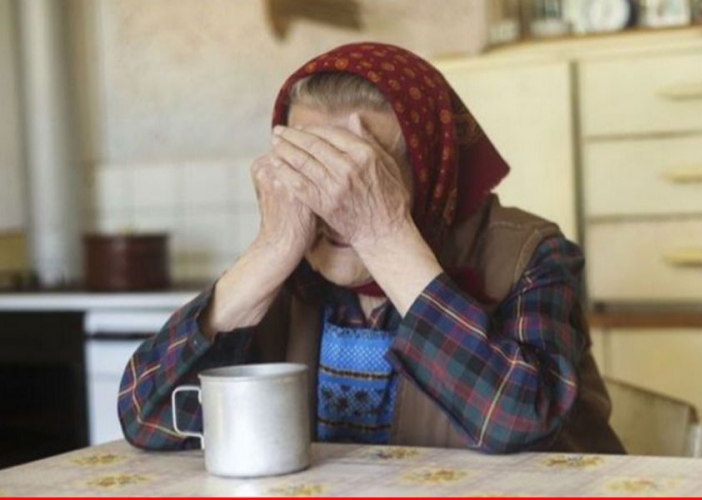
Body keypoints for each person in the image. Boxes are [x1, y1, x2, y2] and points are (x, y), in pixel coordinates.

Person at [117, 42, 624, 454]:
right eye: (311, 168)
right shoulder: (288, 268)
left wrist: (382, 234)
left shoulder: (534, 255)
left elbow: (518, 420)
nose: (335, 201)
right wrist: (270, 250)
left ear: (431, 173)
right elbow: (147, 419)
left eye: (361, 173)